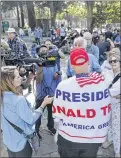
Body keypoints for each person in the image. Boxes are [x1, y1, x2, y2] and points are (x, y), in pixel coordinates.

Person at [53, 48, 111, 157]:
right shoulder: (102, 84)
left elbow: (57, 115)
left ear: (72, 66)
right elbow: (105, 110)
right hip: (93, 138)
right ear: (88, 62)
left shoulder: (63, 86)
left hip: (68, 137)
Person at [1, 67, 53, 157]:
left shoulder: (3, 97)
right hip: (21, 143)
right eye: (17, 77)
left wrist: (29, 78)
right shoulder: (18, 100)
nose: (21, 78)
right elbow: (31, 119)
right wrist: (43, 104)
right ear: (10, 82)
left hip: (8, 142)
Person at [35, 44, 59, 140]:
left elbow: (55, 77)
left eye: (46, 50)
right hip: (41, 94)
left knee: (51, 112)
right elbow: (38, 80)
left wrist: (56, 75)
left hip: (52, 92)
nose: (45, 51)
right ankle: (36, 129)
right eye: (42, 50)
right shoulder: (36, 63)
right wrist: (40, 67)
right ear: (39, 53)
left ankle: (50, 126)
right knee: (39, 112)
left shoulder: (53, 62)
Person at [101, 50, 121, 158]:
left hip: (117, 105)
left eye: (115, 61)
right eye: (111, 61)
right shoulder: (107, 73)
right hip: (107, 103)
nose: (113, 63)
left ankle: (117, 150)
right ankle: (110, 139)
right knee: (108, 123)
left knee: (117, 127)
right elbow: (103, 87)